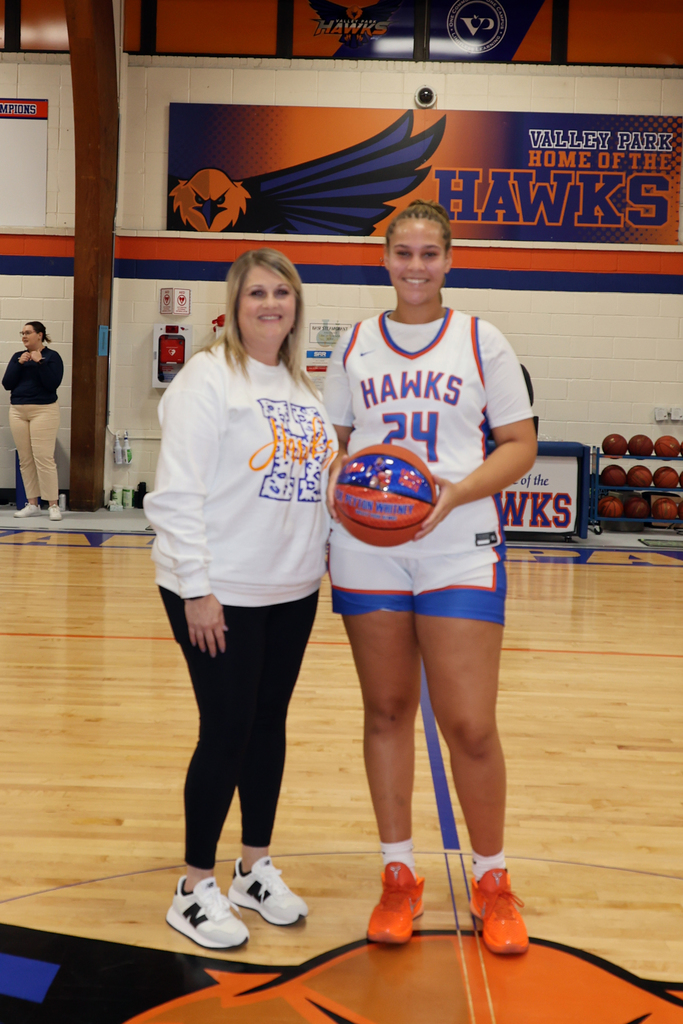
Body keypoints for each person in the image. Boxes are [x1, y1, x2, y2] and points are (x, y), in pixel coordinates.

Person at [324, 200, 537, 955]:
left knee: (469, 724)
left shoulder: (482, 340)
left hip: (458, 542)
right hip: (368, 547)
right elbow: (334, 446)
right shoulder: (353, 344)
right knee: (386, 711)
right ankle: (398, 876)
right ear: (384, 259)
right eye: (403, 253)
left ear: (449, 260)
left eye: (429, 254)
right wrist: (341, 489)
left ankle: (492, 881)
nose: (415, 266)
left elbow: (519, 445)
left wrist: (452, 493)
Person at [144, 248, 337, 950]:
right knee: (225, 728)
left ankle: (253, 868)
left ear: (296, 306)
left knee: (267, 725)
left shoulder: (304, 389)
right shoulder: (207, 378)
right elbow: (176, 492)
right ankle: (193, 887)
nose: (270, 304)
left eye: (282, 293)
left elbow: (317, 488)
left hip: (291, 588)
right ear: (234, 304)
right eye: (257, 292)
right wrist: (196, 589)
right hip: (218, 590)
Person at [2, 321, 64, 521]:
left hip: (43, 410)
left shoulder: (52, 357)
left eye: (28, 332)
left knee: (44, 457)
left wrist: (40, 362)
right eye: (22, 333)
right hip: (18, 411)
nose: (24, 336)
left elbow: (52, 384)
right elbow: (7, 384)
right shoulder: (17, 357)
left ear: (40, 335)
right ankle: (33, 504)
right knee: (25, 459)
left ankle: (53, 505)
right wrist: (19, 364)